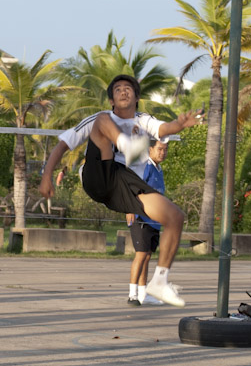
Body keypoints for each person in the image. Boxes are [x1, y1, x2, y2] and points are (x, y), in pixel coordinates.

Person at [39, 74, 202, 307]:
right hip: (97, 176)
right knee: (103, 123)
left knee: (175, 216)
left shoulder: (144, 120)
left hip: (124, 185)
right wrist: (46, 176)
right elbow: (63, 145)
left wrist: (181, 124)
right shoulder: (100, 117)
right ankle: (127, 146)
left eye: (128, 88)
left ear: (137, 97)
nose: (124, 91)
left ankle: (160, 281)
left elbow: (164, 128)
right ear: (112, 100)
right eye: (118, 89)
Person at [127, 139, 168, 306]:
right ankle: (132, 294)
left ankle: (144, 294)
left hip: (154, 220)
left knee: (148, 256)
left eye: (165, 150)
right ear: (150, 149)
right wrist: (130, 208)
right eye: (159, 149)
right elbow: (131, 187)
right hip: (141, 219)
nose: (162, 153)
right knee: (141, 254)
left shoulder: (159, 170)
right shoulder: (145, 167)